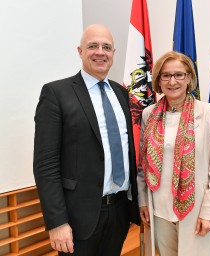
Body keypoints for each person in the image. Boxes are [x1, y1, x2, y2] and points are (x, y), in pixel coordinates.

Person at [33, 24, 140, 256]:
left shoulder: (121, 93)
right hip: (77, 218)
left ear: (113, 53)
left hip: (119, 212)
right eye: (93, 46)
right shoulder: (56, 93)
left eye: (106, 47)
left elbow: (126, 150)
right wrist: (57, 222)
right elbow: (46, 164)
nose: (100, 52)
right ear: (80, 51)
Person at [137, 51, 210, 256]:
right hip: (158, 211)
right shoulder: (148, 114)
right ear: (158, 80)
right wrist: (142, 200)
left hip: (195, 210)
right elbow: (143, 164)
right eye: (165, 75)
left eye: (179, 75)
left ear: (189, 78)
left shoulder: (209, 113)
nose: (172, 81)